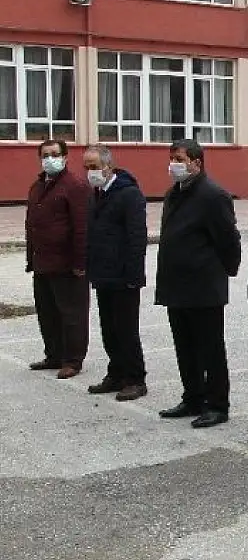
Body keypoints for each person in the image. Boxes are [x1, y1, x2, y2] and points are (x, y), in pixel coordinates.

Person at [155, 139, 242, 429]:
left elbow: (228, 240)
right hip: (176, 284)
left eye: (179, 158)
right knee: (185, 346)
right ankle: (193, 396)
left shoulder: (212, 195)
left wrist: (226, 271)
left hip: (203, 286)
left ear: (196, 163)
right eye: (171, 158)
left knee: (210, 348)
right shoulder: (173, 194)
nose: (173, 164)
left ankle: (217, 404)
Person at [82, 144, 148, 401]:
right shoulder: (97, 194)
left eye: (94, 166)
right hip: (103, 274)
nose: (90, 172)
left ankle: (135, 378)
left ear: (108, 166)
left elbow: (136, 237)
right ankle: (116, 372)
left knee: (126, 329)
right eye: (86, 167)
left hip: (124, 276)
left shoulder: (128, 194)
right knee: (109, 328)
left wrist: (134, 275)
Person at [25, 139, 91, 379]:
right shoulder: (37, 186)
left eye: (55, 154)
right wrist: (30, 258)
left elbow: (81, 227)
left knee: (72, 314)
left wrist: (80, 263)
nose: (50, 159)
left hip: (67, 264)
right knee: (47, 312)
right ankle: (53, 354)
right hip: (43, 262)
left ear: (65, 157)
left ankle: (73, 360)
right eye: (45, 155)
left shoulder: (75, 186)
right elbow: (31, 223)